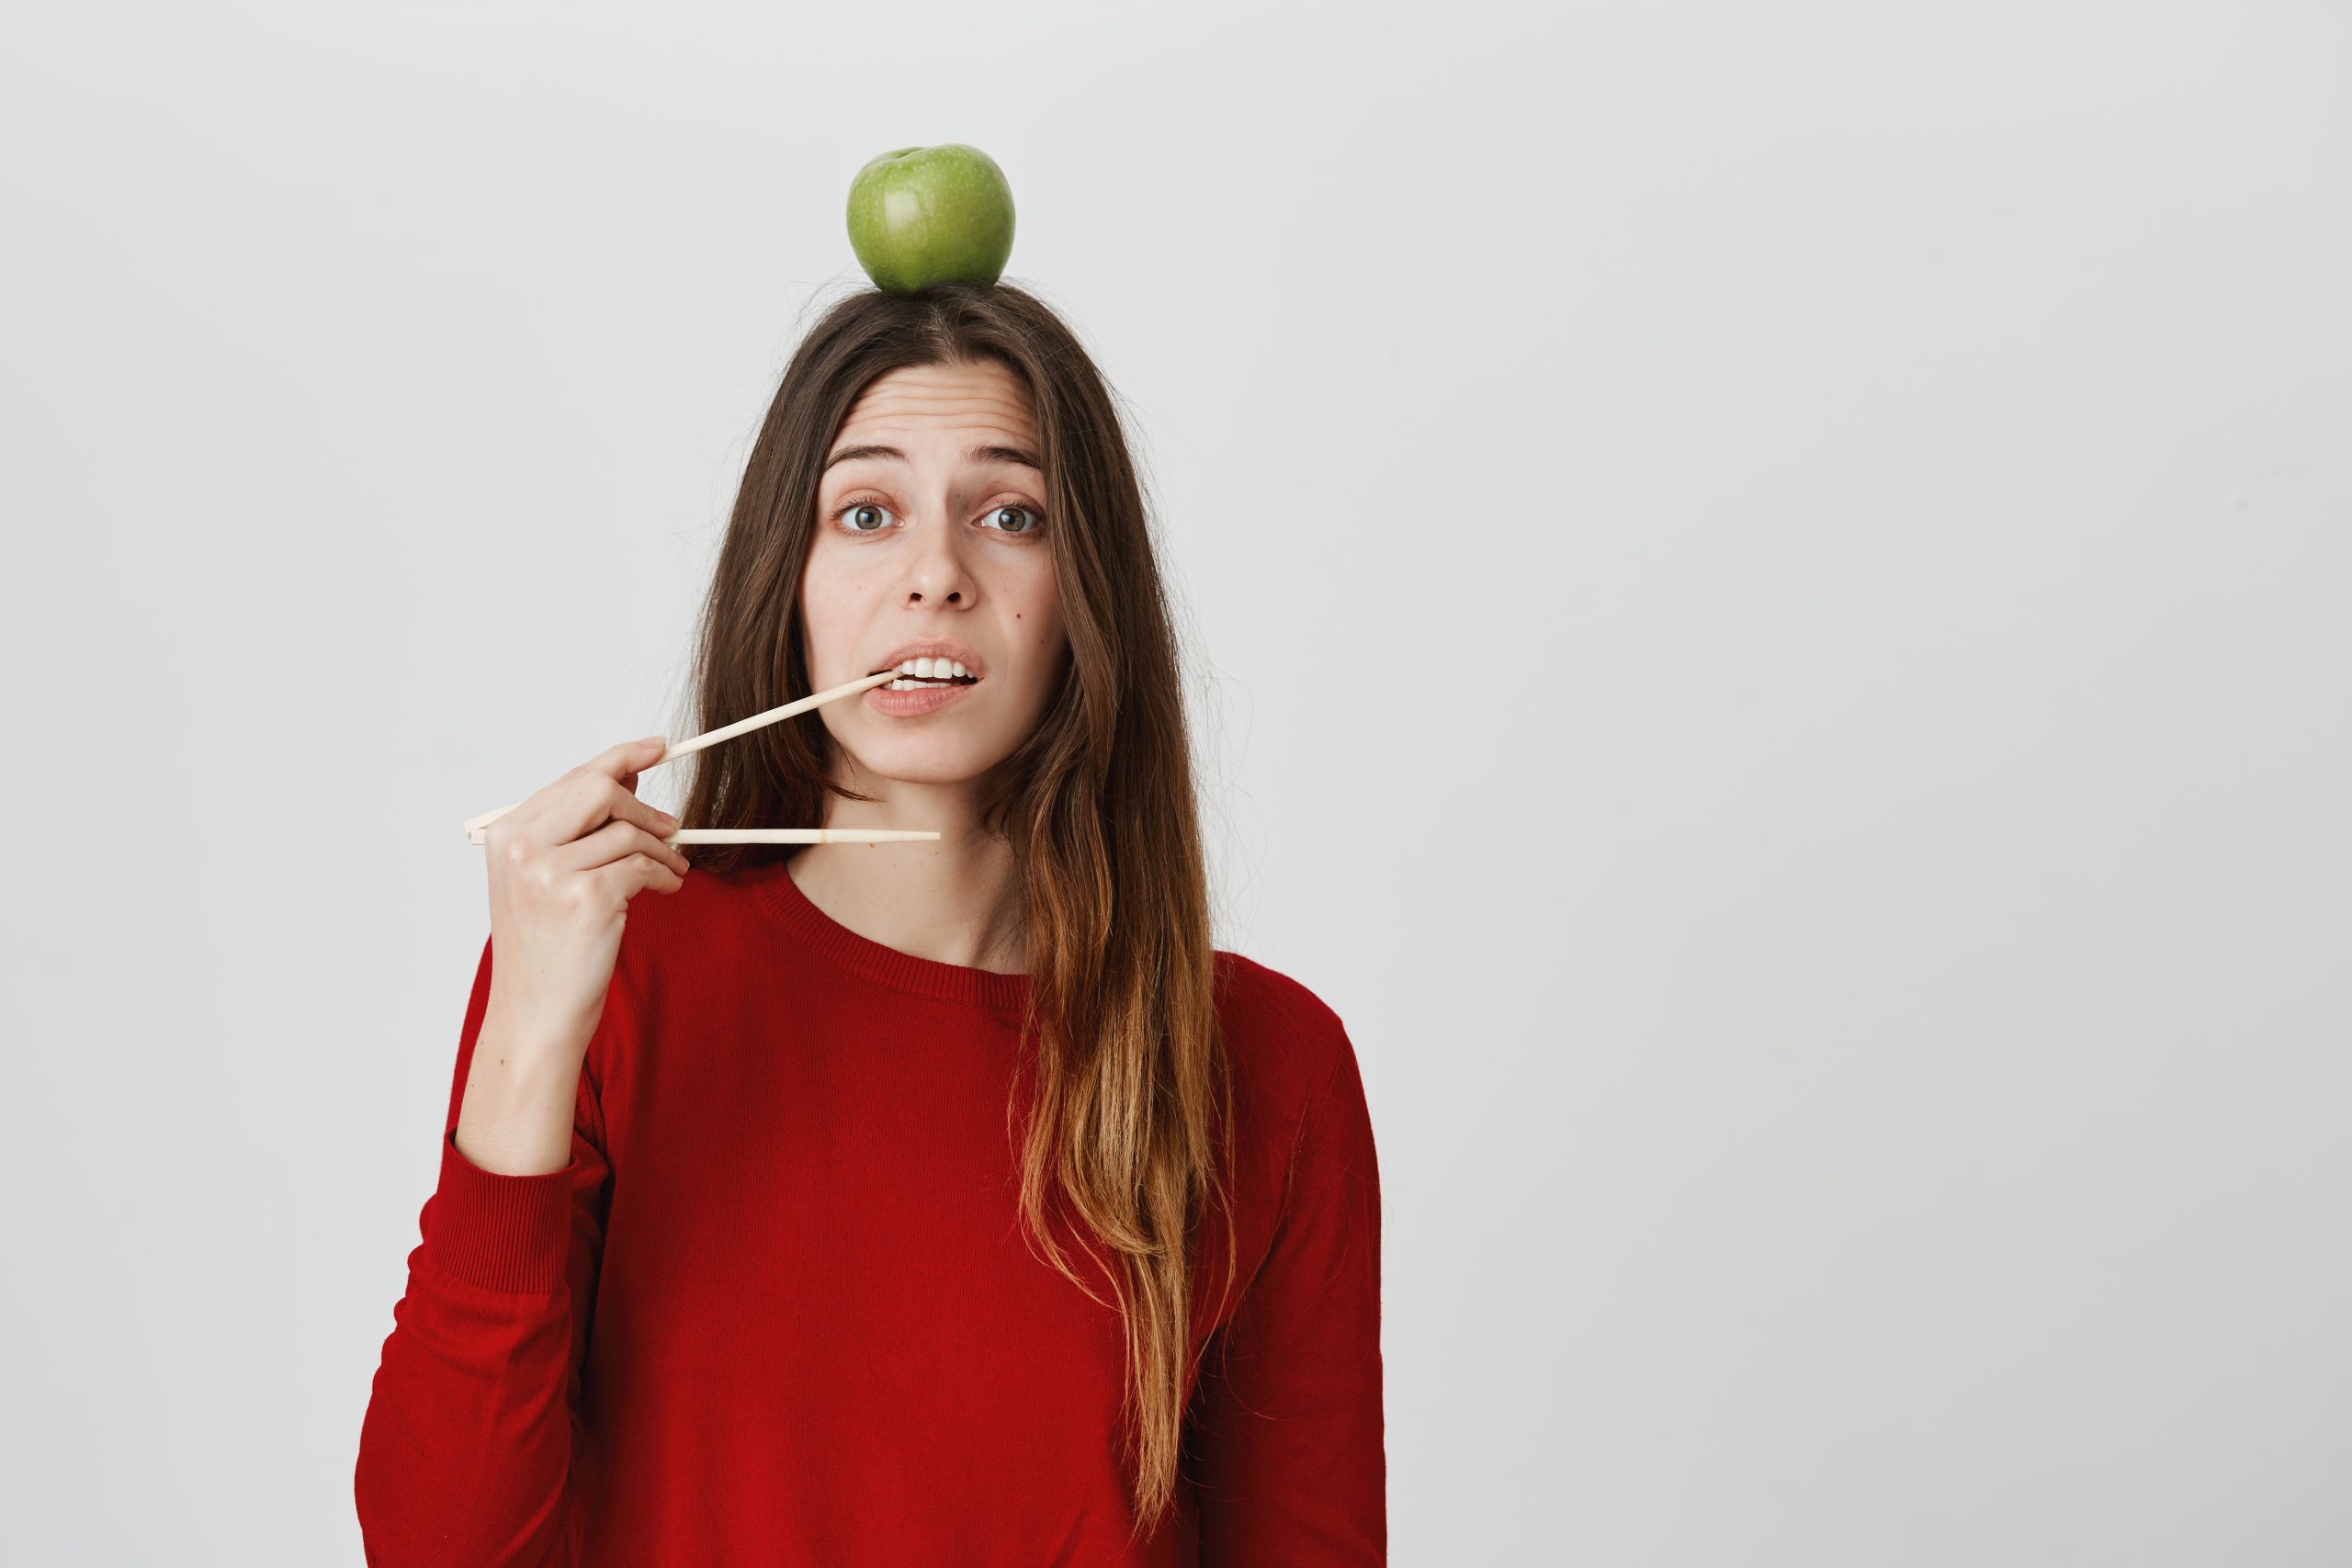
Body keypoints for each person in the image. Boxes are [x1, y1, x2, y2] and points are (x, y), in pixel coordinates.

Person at [354, 282, 1385, 1565]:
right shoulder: (618, 970)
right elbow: (437, 1545)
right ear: (788, 581)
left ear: (1085, 595)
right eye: (867, 513)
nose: (936, 575)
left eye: (1010, 515)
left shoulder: (1271, 1065)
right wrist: (526, 1029)